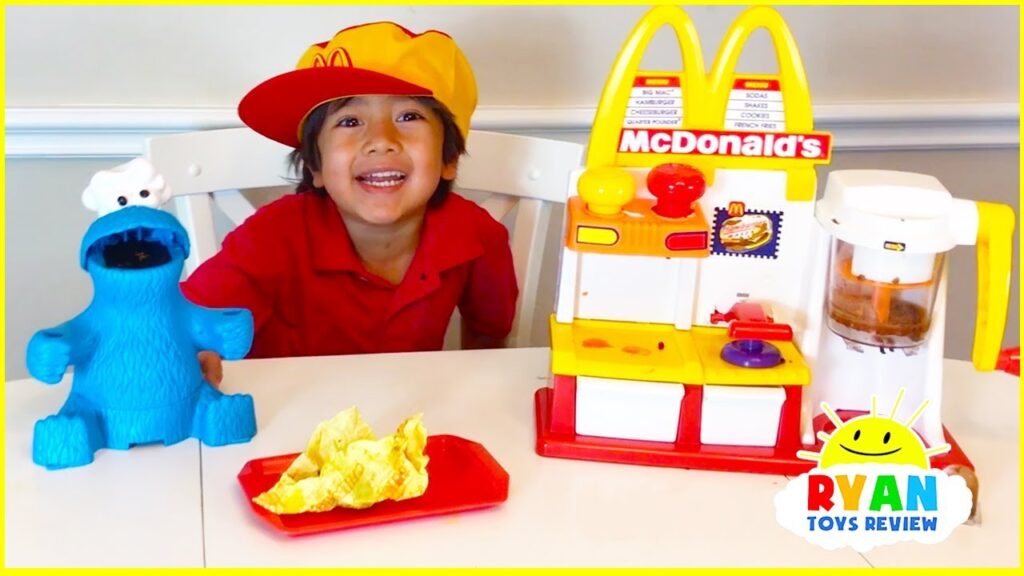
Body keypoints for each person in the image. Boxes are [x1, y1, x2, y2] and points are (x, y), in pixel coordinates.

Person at [182, 22, 519, 385]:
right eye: (350, 120)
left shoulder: (478, 235)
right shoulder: (271, 236)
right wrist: (197, 354)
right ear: (316, 166)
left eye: (409, 116)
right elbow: (187, 327)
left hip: (406, 422)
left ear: (448, 159)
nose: (380, 140)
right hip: (282, 421)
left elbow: (488, 340)